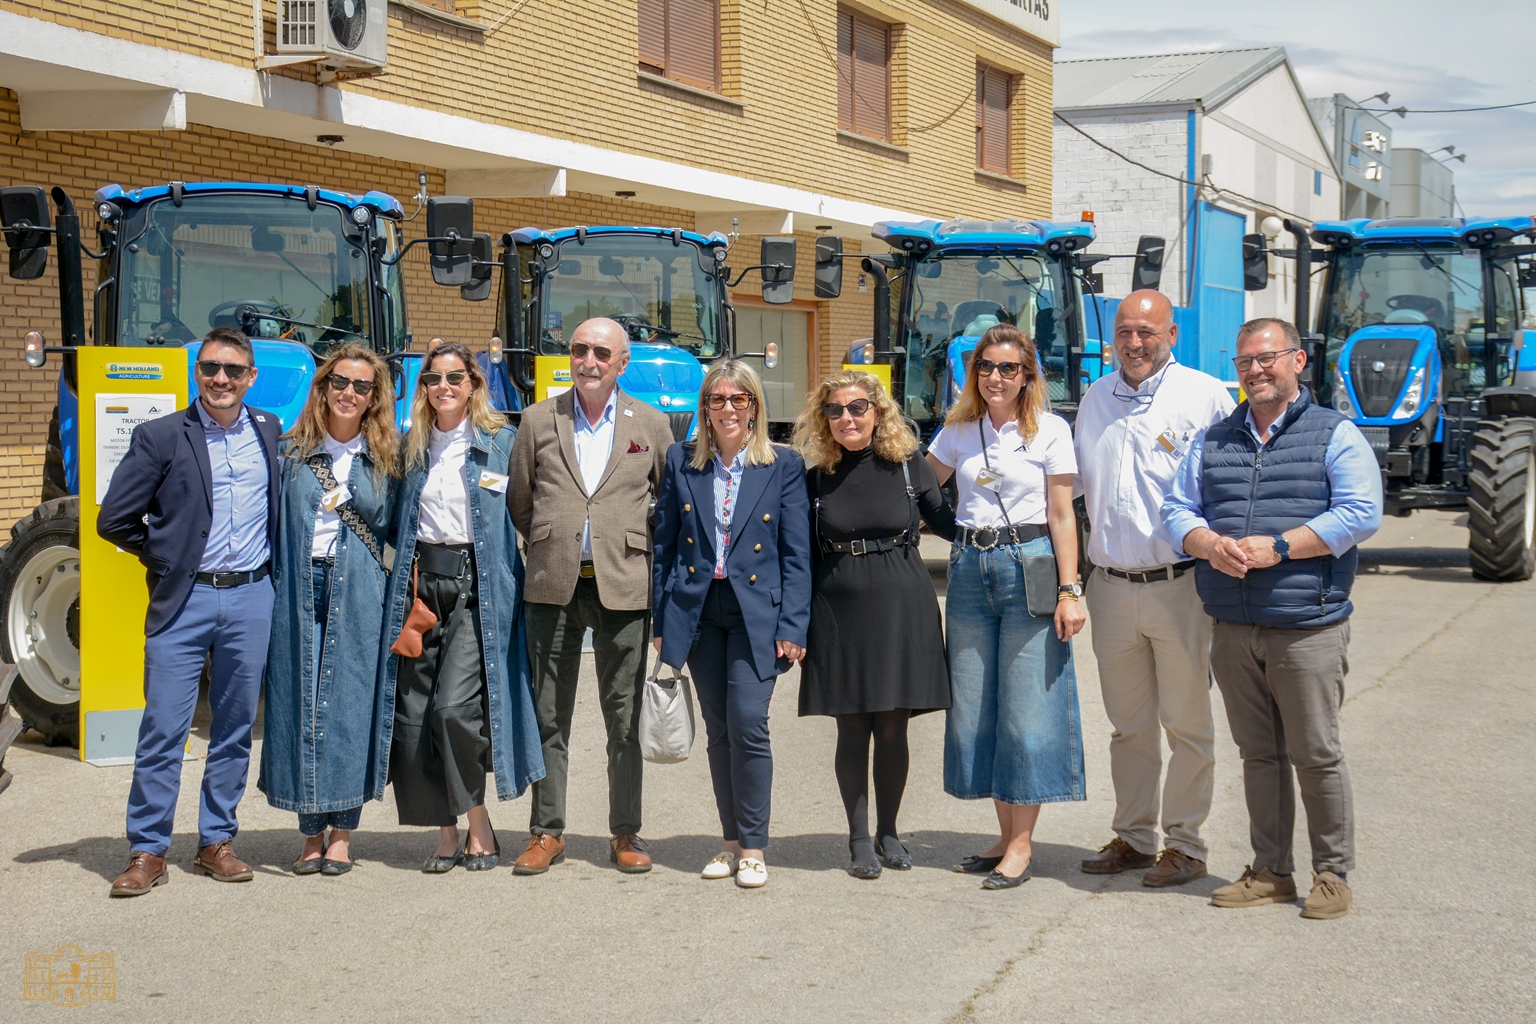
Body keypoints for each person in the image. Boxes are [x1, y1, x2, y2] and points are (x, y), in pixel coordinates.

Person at [1162, 317, 1382, 920]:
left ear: (1297, 361)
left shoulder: (1334, 433)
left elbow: (1362, 512)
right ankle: (1270, 870)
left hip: (1307, 624)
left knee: (1316, 752)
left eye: (1268, 358)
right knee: (1258, 754)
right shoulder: (1215, 438)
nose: (1256, 370)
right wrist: (1205, 543)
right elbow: (1176, 508)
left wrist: (1282, 546)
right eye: (1245, 362)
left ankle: (1331, 874)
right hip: (1233, 625)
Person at [99, 327, 282, 896]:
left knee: (232, 729)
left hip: (253, 595)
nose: (220, 379)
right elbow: (114, 520)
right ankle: (147, 851)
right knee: (164, 728)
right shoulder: (160, 436)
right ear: (195, 373)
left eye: (232, 370)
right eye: (210, 368)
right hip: (186, 599)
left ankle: (215, 842)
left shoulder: (270, 430)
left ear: (251, 377)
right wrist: (167, 558)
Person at [1072, 291, 1235, 887]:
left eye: (1147, 332)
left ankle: (1186, 846)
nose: (1134, 344)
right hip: (1111, 587)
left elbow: (1229, 488)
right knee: (1128, 725)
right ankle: (1136, 837)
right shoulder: (1095, 399)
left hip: (1181, 588)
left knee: (1187, 723)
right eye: (1124, 332)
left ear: (1171, 334)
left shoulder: (1205, 395)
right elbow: (1070, 492)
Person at [508, 317, 675, 875]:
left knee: (623, 719)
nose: (589, 360)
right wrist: (553, 542)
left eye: (601, 352)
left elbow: (667, 505)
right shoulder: (536, 420)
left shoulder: (651, 424)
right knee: (548, 715)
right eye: (579, 349)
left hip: (623, 585)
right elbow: (521, 501)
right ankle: (545, 832)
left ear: (622, 362)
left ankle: (625, 832)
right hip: (553, 583)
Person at [926, 323, 1087, 891]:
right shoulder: (958, 430)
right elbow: (920, 491)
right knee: (976, 705)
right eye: (988, 367)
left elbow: (1063, 515)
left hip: (1031, 564)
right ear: (975, 373)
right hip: (969, 569)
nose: (997, 377)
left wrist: (1071, 589)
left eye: (1009, 368)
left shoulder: (1050, 431)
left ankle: (1021, 845)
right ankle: (1002, 836)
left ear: (1028, 375)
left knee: (1028, 705)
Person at [374, 341, 545, 872]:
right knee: (416, 714)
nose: (443, 387)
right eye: (433, 379)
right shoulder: (411, 448)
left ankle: (478, 822)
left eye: (454, 377)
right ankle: (448, 834)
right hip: (422, 588)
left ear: (473, 383)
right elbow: (390, 519)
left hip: (479, 590)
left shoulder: (502, 443)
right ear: (423, 387)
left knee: (453, 709)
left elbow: (532, 514)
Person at [653, 359, 811, 888]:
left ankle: (755, 847)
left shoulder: (781, 464)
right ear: (705, 407)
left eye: (737, 400)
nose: (726, 408)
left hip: (756, 614)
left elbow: (795, 553)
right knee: (719, 731)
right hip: (698, 611)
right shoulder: (682, 460)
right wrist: (662, 618)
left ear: (754, 407)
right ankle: (728, 842)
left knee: (748, 723)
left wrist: (793, 625)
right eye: (717, 400)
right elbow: (665, 544)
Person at [793, 370, 955, 879]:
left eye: (857, 407)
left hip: (903, 607)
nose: (847, 418)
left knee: (891, 728)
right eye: (835, 410)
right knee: (852, 727)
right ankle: (859, 837)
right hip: (839, 613)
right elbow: (795, 554)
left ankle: (890, 831)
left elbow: (950, 524)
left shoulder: (909, 467)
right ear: (824, 420)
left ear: (878, 411)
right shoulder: (814, 476)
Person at [258, 344, 399, 876]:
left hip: (360, 587)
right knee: (297, 700)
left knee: (349, 704)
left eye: (361, 387)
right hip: (298, 582)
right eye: (339, 382)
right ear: (323, 387)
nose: (349, 393)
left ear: (374, 398)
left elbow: (400, 530)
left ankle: (342, 832)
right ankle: (309, 832)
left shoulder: (389, 457)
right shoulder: (290, 452)